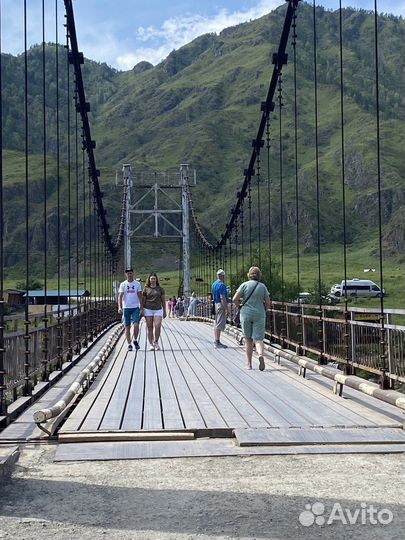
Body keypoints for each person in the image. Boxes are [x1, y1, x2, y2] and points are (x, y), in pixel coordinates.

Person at [232, 266, 271, 370]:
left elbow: (235, 299)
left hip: (246, 314)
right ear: (259, 276)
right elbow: (268, 303)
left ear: (249, 275)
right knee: (259, 339)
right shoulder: (263, 287)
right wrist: (264, 310)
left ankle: (249, 364)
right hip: (259, 314)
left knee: (248, 339)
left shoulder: (244, 285)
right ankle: (260, 355)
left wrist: (239, 306)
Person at [118, 268, 142, 351]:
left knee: (136, 325)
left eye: (131, 273)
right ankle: (129, 344)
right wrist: (120, 307)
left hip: (135, 307)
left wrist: (141, 307)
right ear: (126, 274)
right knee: (127, 326)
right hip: (126, 307)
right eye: (128, 273)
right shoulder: (123, 284)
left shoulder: (137, 284)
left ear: (133, 274)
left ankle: (135, 340)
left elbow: (140, 295)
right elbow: (120, 296)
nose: (130, 275)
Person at [142, 272, 166, 350]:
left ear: (156, 280)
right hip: (148, 309)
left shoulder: (160, 289)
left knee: (158, 325)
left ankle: (156, 342)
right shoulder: (146, 289)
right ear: (149, 280)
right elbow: (143, 300)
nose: (153, 280)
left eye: (154, 279)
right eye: (151, 278)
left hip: (158, 309)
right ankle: (151, 343)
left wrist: (165, 311)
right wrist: (142, 309)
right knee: (150, 327)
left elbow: (163, 300)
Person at [211, 269, 229, 348]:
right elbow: (222, 297)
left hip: (215, 304)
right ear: (222, 276)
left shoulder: (214, 284)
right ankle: (217, 341)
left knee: (216, 321)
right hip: (220, 305)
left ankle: (216, 340)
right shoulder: (222, 285)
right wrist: (226, 308)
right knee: (219, 323)